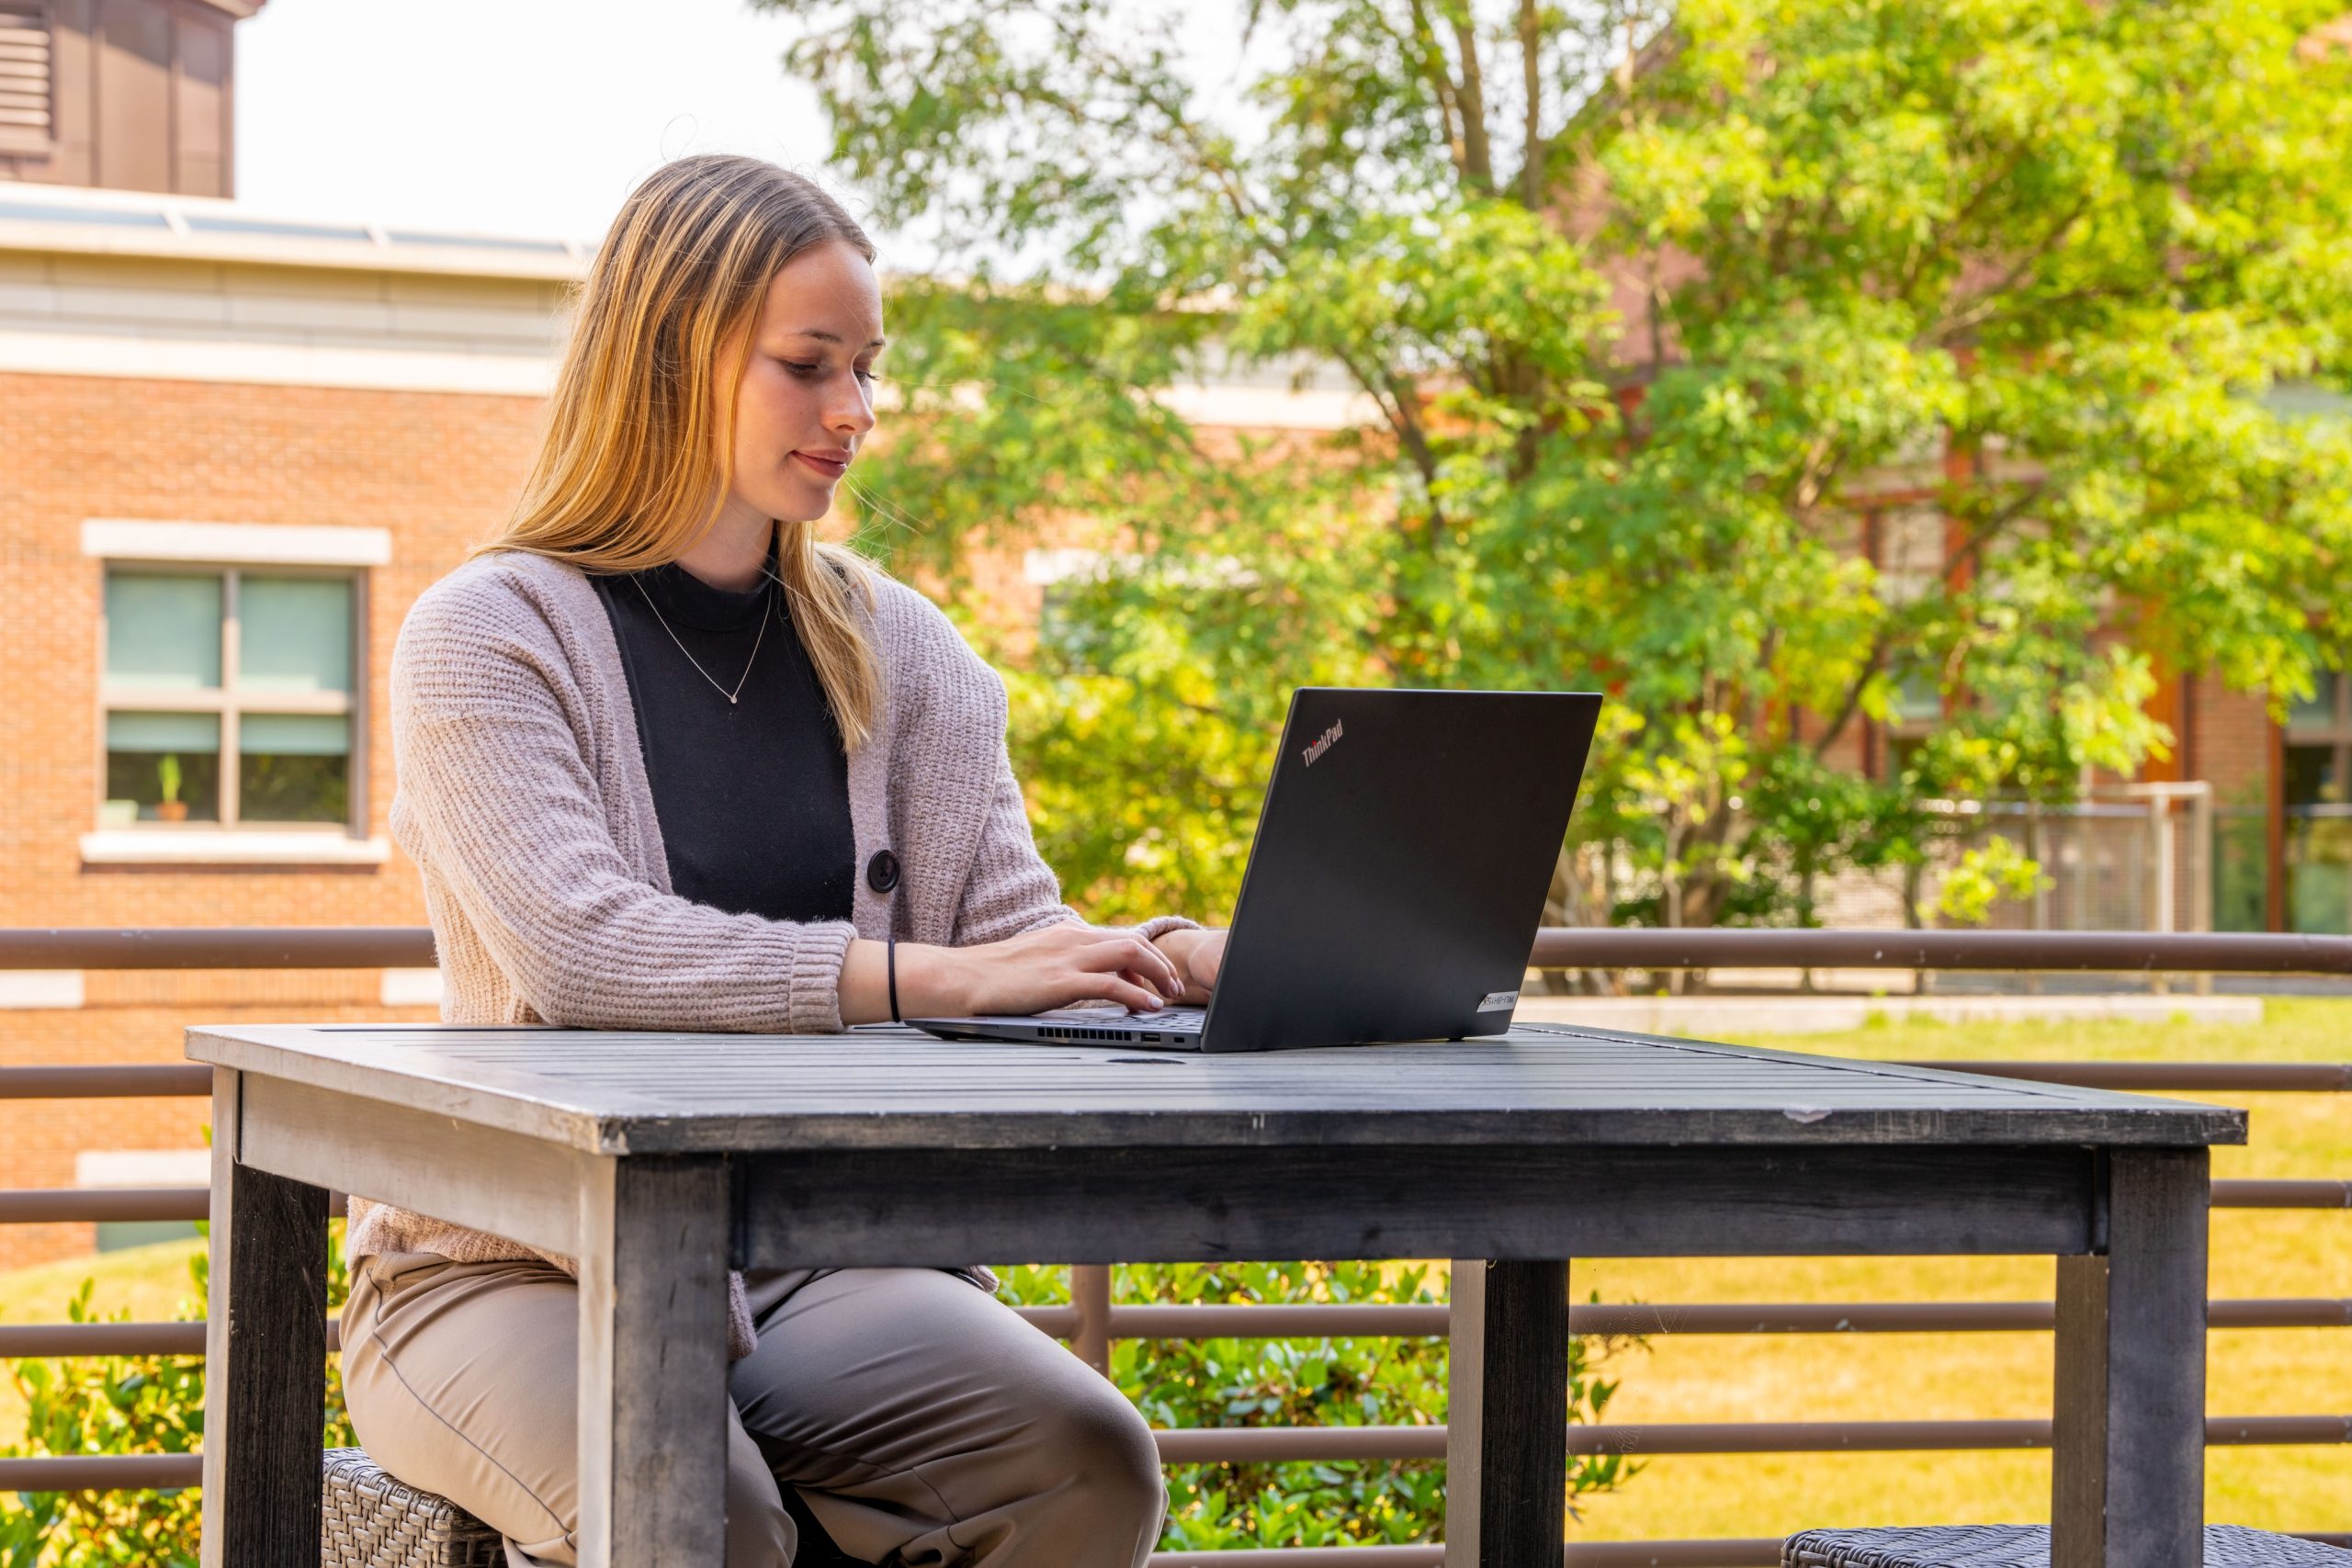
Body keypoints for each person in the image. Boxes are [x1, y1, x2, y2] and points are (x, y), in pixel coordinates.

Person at [337, 152, 1229, 1568]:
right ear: (673, 353)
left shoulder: (904, 651)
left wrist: (1179, 962)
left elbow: (1017, 944)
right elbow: (584, 949)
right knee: (697, 1507)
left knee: (1086, 1463)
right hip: (514, 1268)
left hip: (815, 1261)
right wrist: (917, 973)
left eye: (868, 369)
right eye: (811, 365)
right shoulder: (488, 636)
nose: (856, 413)